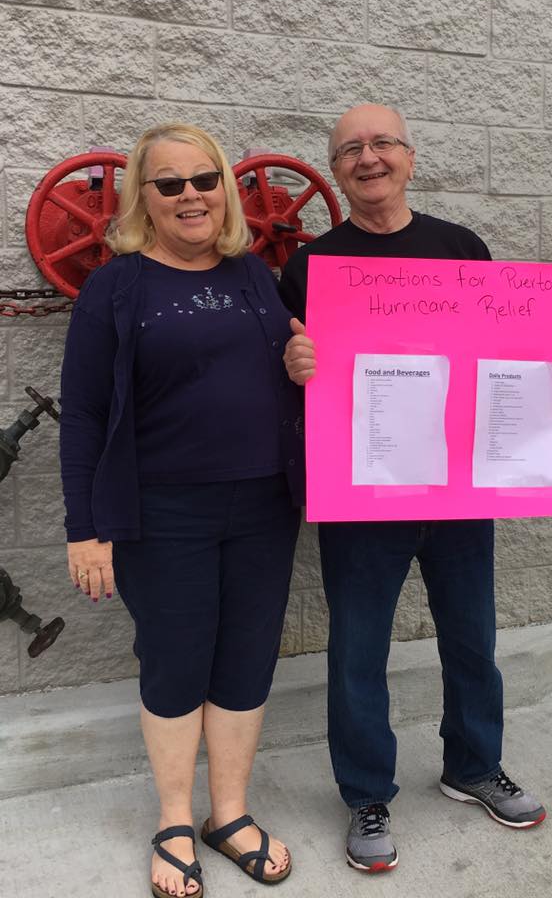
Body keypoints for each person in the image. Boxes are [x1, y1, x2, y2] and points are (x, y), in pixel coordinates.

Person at [280, 103, 552, 874]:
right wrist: (294, 369)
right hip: (365, 494)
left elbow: (518, 345)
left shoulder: (460, 246)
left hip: (463, 490)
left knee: (473, 640)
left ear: (409, 156)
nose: (368, 159)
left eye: (383, 144)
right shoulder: (310, 265)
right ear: (335, 169)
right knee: (357, 651)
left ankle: (472, 766)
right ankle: (367, 792)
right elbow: (290, 375)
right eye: (350, 150)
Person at [60, 123, 304, 896]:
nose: (190, 196)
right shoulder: (116, 287)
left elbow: (281, 377)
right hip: (163, 514)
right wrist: (85, 529)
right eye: (170, 184)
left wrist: (301, 365)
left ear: (225, 191)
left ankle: (227, 813)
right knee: (175, 662)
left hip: (266, 504)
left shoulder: (254, 275)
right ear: (145, 196)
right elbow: (87, 414)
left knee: (246, 659)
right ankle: (173, 817)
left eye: (204, 180)